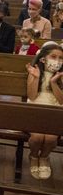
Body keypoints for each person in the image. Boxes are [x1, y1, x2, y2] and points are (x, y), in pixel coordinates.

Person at [25, 43, 63, 179]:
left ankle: (45, 157)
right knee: (38, 137)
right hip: (36, 110)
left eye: (60, 58)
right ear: (43, 58)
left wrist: (53, 83)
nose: (57, 61)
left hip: (55, 112)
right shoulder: (35, 71)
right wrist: (35, 77)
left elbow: (61, 101)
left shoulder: (61, 76)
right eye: (53, 57)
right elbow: (32, 96)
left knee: (51, 138)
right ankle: (34, 156)